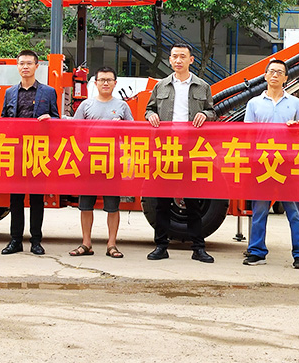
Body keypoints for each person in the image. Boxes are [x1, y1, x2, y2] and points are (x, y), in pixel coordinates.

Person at [144, 43, 216, 263]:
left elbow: (212, 111)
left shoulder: (202, 86)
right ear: (170, 59)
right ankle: (161, 246)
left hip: (192, 150)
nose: (178, 60)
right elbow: (149, 109)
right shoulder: (161, 86)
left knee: (193, 201)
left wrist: (205, 114)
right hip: (166, 149)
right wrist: (150, 116)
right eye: (174, 56)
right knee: (162, 202)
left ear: (191, 60)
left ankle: (198, 248)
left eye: (182, 56)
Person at [0, 49, 59, 255]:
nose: (25, 67)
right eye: (21, 63)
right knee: (15, 199)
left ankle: (36, 241)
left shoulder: (48, 92)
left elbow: (57, 119)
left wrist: (51, 119)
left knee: (37, 199)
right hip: (16, 152)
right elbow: (4, 120)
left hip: (38, 152)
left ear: (37, 66)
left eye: (29, 63)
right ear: (17, 67)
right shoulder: (10, 92)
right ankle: (15, 240)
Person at [242, 59, 299, 269]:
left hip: (287, 163)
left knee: (294, 211)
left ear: (286, 78)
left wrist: (296, 128)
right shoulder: (254, 103)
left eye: (280, 72)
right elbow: (247, 135)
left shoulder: (295, 103)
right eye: (272, 71)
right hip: (262, 163)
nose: (275, 75)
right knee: (259, 210)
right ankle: (256, 252)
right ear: (265, 75)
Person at [66, 66, 134, 259]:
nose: (105, 83)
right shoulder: (86, 105)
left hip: (113, 163)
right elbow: (75, 130)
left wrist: (122, 127)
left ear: (115, 83)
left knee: (113, 206)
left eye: (109, 80)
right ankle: (86, 243)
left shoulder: (122, 106)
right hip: (89, 162)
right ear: (95, 83)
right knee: (85, 205)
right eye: (102, 80)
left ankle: (112, 244)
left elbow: (134, 132)